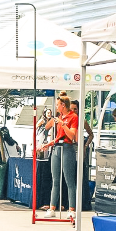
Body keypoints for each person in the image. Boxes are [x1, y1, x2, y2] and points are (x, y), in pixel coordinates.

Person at [40, 91, 79, 220]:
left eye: (58, 105)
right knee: (55, 180)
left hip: (68, 148)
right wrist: (48, 144)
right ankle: (52, 208)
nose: (56, 107)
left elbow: (72, 136)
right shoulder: (58, 117)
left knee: (69, 180)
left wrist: (62, 124)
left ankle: (72, 209)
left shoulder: (73, 117)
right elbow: (58, 137)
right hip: (57, 148)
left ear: (63, 105)